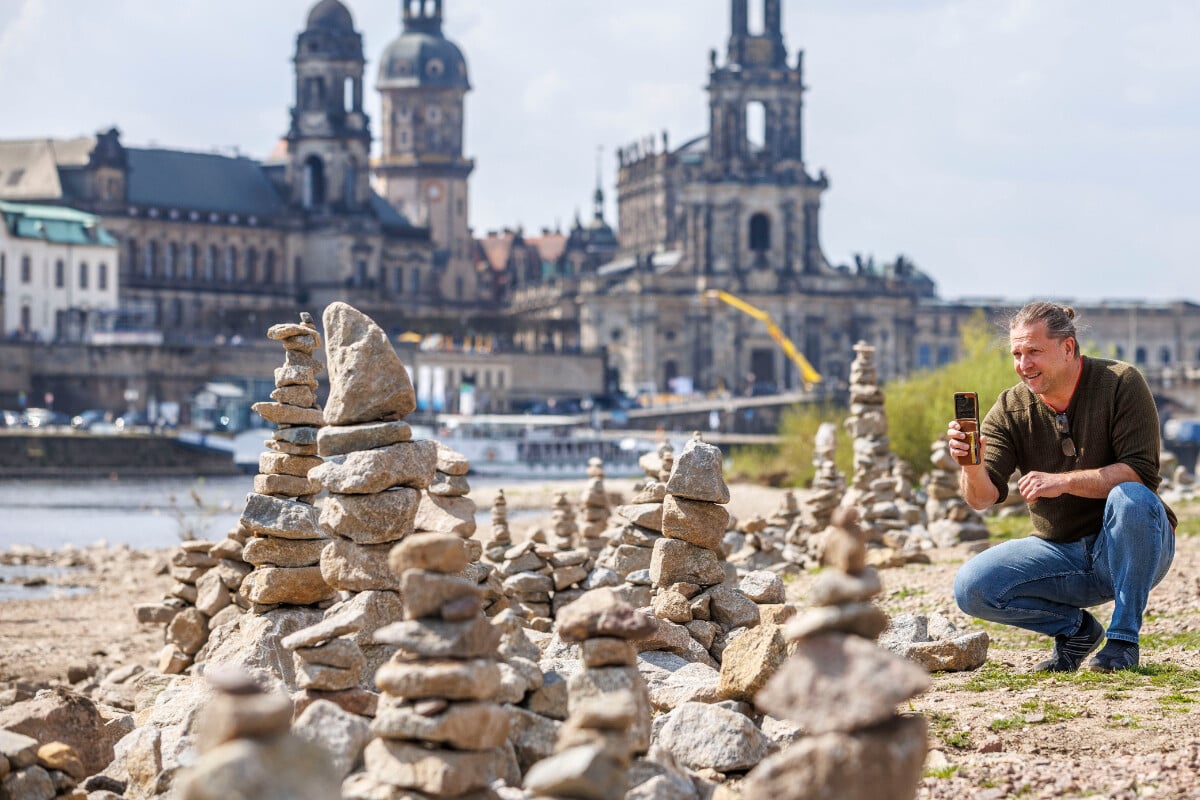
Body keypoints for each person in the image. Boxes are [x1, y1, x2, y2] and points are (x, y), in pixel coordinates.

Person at [948, 302, 1176, 673]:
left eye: (1034, 351)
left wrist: (1063, 482)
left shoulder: (1121, 382)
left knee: (1130, 498)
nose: (1024, 364)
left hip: (1133, 546)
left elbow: (1140, 475)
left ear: (1068, 348)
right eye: (1017, 354)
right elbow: (982, 498)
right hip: (1062, 555)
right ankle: (1077, 631)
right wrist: (971, 465)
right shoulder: (1010, 408)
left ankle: (1122, 642)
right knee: (972, 587)